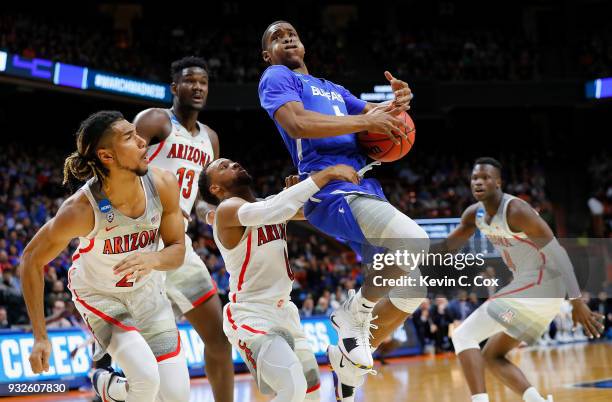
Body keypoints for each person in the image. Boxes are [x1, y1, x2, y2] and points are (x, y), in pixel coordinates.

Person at [258, 20, 427, 400]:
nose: (287, 37)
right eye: (276, 37)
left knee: (414, 288)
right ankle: (355, 309)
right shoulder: (277, 77)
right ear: (267, 54)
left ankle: (347, 364)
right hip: (328, 189)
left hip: (365, 186)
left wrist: (397, 106)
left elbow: (378, 118)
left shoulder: (333, 89)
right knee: (414, 240)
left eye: (293, 33)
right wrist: (369, 118)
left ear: (304, 44)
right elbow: (298, 124)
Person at [20, 111, 189, 402]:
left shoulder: (163, 184)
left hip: (148, 293)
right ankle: (106, 384)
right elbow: (30, 260)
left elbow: (177, 250)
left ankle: (113, 387)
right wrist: (40, 336)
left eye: (138, 134)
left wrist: (153, 260)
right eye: (129, 138)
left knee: (176, 396)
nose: (142, 142)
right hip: (101, 297)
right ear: (107, 156)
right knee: (146, 380)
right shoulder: (80, 210)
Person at [438, 157, 603, 402]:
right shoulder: (474, 215)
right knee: (492, 355)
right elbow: (445, 247)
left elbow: (559, 253)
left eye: (486, 177)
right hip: (533, 300)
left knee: (463, 336)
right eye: (475, 178)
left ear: (498, 182)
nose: (479, 182)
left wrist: (577, 300)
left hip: (542, 285)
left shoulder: (516, 211)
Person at [200, 157, 360, 401]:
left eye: (233, 162)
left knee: (312, 390)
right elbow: (273, 210)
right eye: (224, 167)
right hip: (250, 313)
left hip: (285, 311)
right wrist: (328, 173)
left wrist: (342, 194)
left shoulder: (268, 204)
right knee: (292, 387)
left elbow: (307, 212)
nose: (233, 164)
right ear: (216, 189)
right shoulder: (227, 209)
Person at [133, 56, 233, 401]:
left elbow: (203, 198)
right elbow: (123, 162)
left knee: (219, 338)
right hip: (141, 244)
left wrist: (212, 213)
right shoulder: (156, 120)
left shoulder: (211, 139)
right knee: (145, 351)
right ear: (175, 88)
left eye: (203, 82)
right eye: (190, 81)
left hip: (180, 244)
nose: (198, 87)